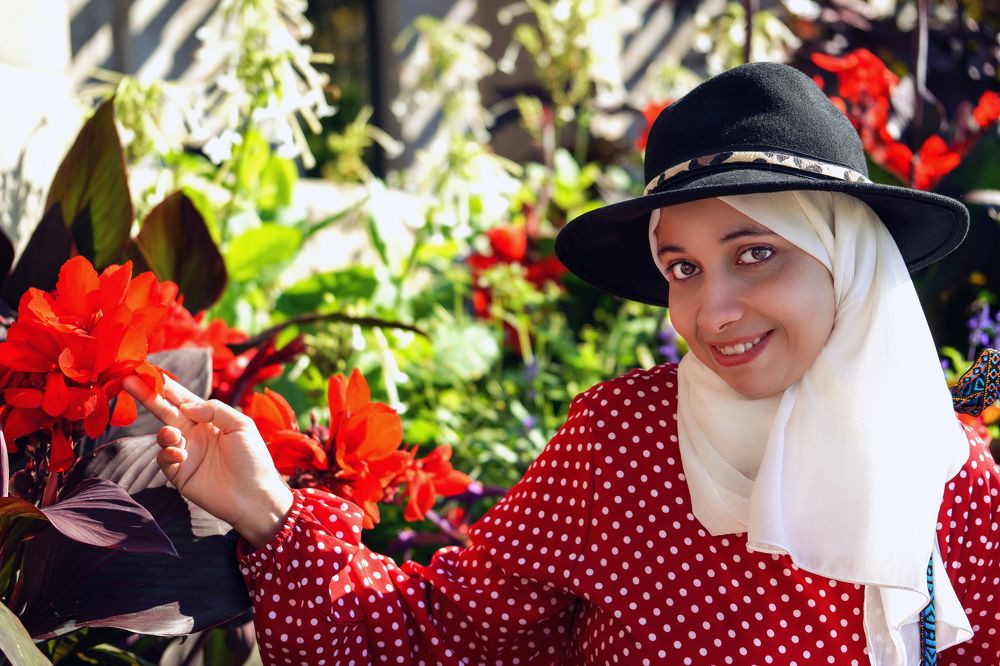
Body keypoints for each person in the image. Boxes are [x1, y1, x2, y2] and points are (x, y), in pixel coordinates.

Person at [123, 62, 1000, 665]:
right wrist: (266, 508)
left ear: (846, 260)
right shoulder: (625, 442)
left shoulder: (951, 476)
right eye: (683, 268)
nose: (712, 310)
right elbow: (445, 634)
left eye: (756, 253)